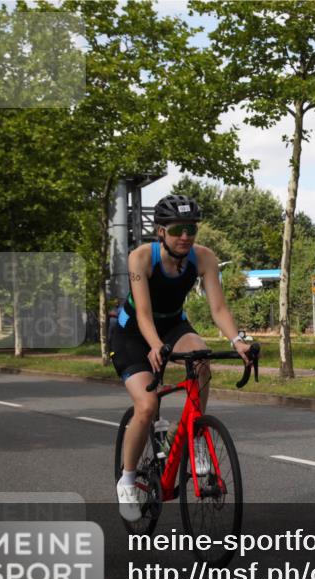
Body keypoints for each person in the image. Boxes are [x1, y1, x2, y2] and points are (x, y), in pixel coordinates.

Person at [109, 194, 252, 520]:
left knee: (201, 360)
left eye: (191, 229)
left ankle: (195, 436)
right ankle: (128, 480)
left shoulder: (204, 258)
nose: (185, 236)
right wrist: (155, 344)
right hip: (132, 332)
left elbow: (218, 308)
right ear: (160, 232)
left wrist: (239, 340)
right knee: (146, 407)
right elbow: (143, 314)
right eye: (177, 230)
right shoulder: (141, 258)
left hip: (174, 324)